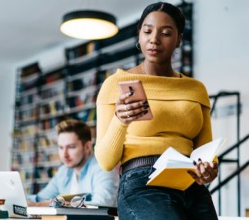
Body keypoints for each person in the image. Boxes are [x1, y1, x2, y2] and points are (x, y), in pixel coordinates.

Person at [94, 2, 219, 220]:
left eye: (166, 33)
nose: (154, 39)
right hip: (142, 183)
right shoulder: (115, 84)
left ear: (179, 39)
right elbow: (105, 162)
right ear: (139, 35)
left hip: (190, 183)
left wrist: (209, 170)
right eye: (148, 31)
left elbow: (206, 151)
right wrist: (120, 121)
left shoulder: (196, 89)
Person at [28, 119, 118, 207]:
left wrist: (56, 203)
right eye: (61, 147)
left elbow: (101, 206)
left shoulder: (103, 168)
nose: (64, 154)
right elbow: (39, 199)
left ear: (87, 147)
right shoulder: (63, 171)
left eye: (71, 147)